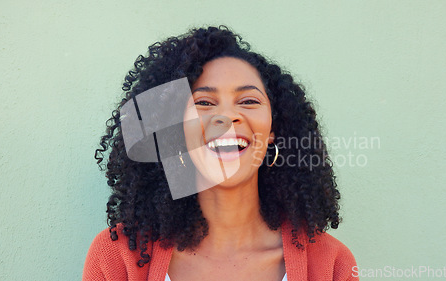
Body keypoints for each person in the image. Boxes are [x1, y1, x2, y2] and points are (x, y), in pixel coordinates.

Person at [83, 25, 358, 281]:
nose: (227, 117)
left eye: (248, 101)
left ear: (274, 128)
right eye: (203, 102)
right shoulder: (117, 256)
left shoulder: (331, 263)